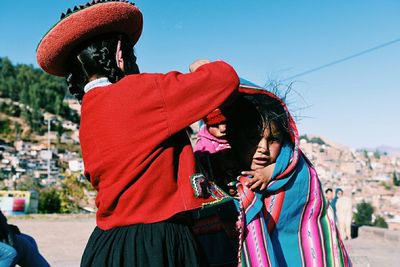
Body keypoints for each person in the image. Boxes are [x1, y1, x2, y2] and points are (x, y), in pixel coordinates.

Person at [36, 1, 239, 266]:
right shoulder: (143, 92)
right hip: (157, 243)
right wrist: (201, 67)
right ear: (120, 53)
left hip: (106, 246)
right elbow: (224, 79)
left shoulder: (89, 112)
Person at [222, 81, 351, 266]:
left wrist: (274, 170)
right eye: (253, 138)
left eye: (273, 140)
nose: (263, 149)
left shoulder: (300, 174)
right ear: (235, 137)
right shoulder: (220, 169)